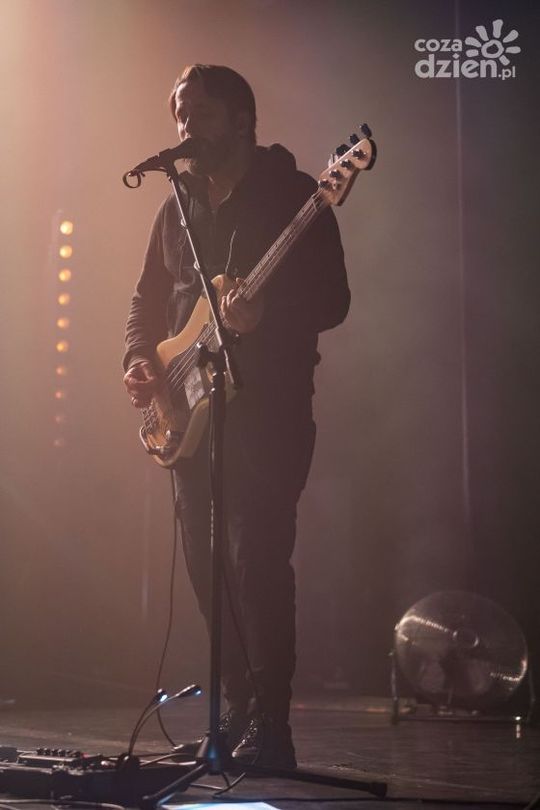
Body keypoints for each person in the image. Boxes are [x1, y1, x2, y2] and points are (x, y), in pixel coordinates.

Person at [123, 64, 350, 769]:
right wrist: (140, 358)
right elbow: (145, 298)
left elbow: (334, 300)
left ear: (242, 119)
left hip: (268, 409)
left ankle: (273, 729)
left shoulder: (295, 194)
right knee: (206, 564)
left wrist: (267, 312)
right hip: (189, 407)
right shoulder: (176, 203)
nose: (185, 126)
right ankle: (236, 715)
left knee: (256, 560)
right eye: (179, 114)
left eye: (200, 113)